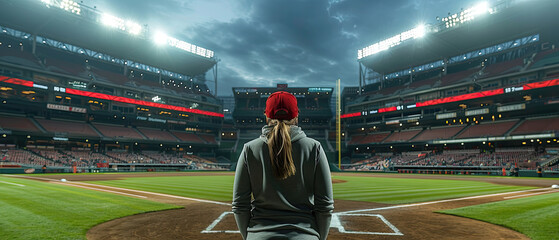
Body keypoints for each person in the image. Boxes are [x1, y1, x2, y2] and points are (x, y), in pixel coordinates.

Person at [232, 91, 334, 240]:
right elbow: (324, 206)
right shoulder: (314, 147)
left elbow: (240, 205)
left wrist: (251, 236)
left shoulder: (249, 149)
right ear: (296, 116)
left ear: (266, 116)